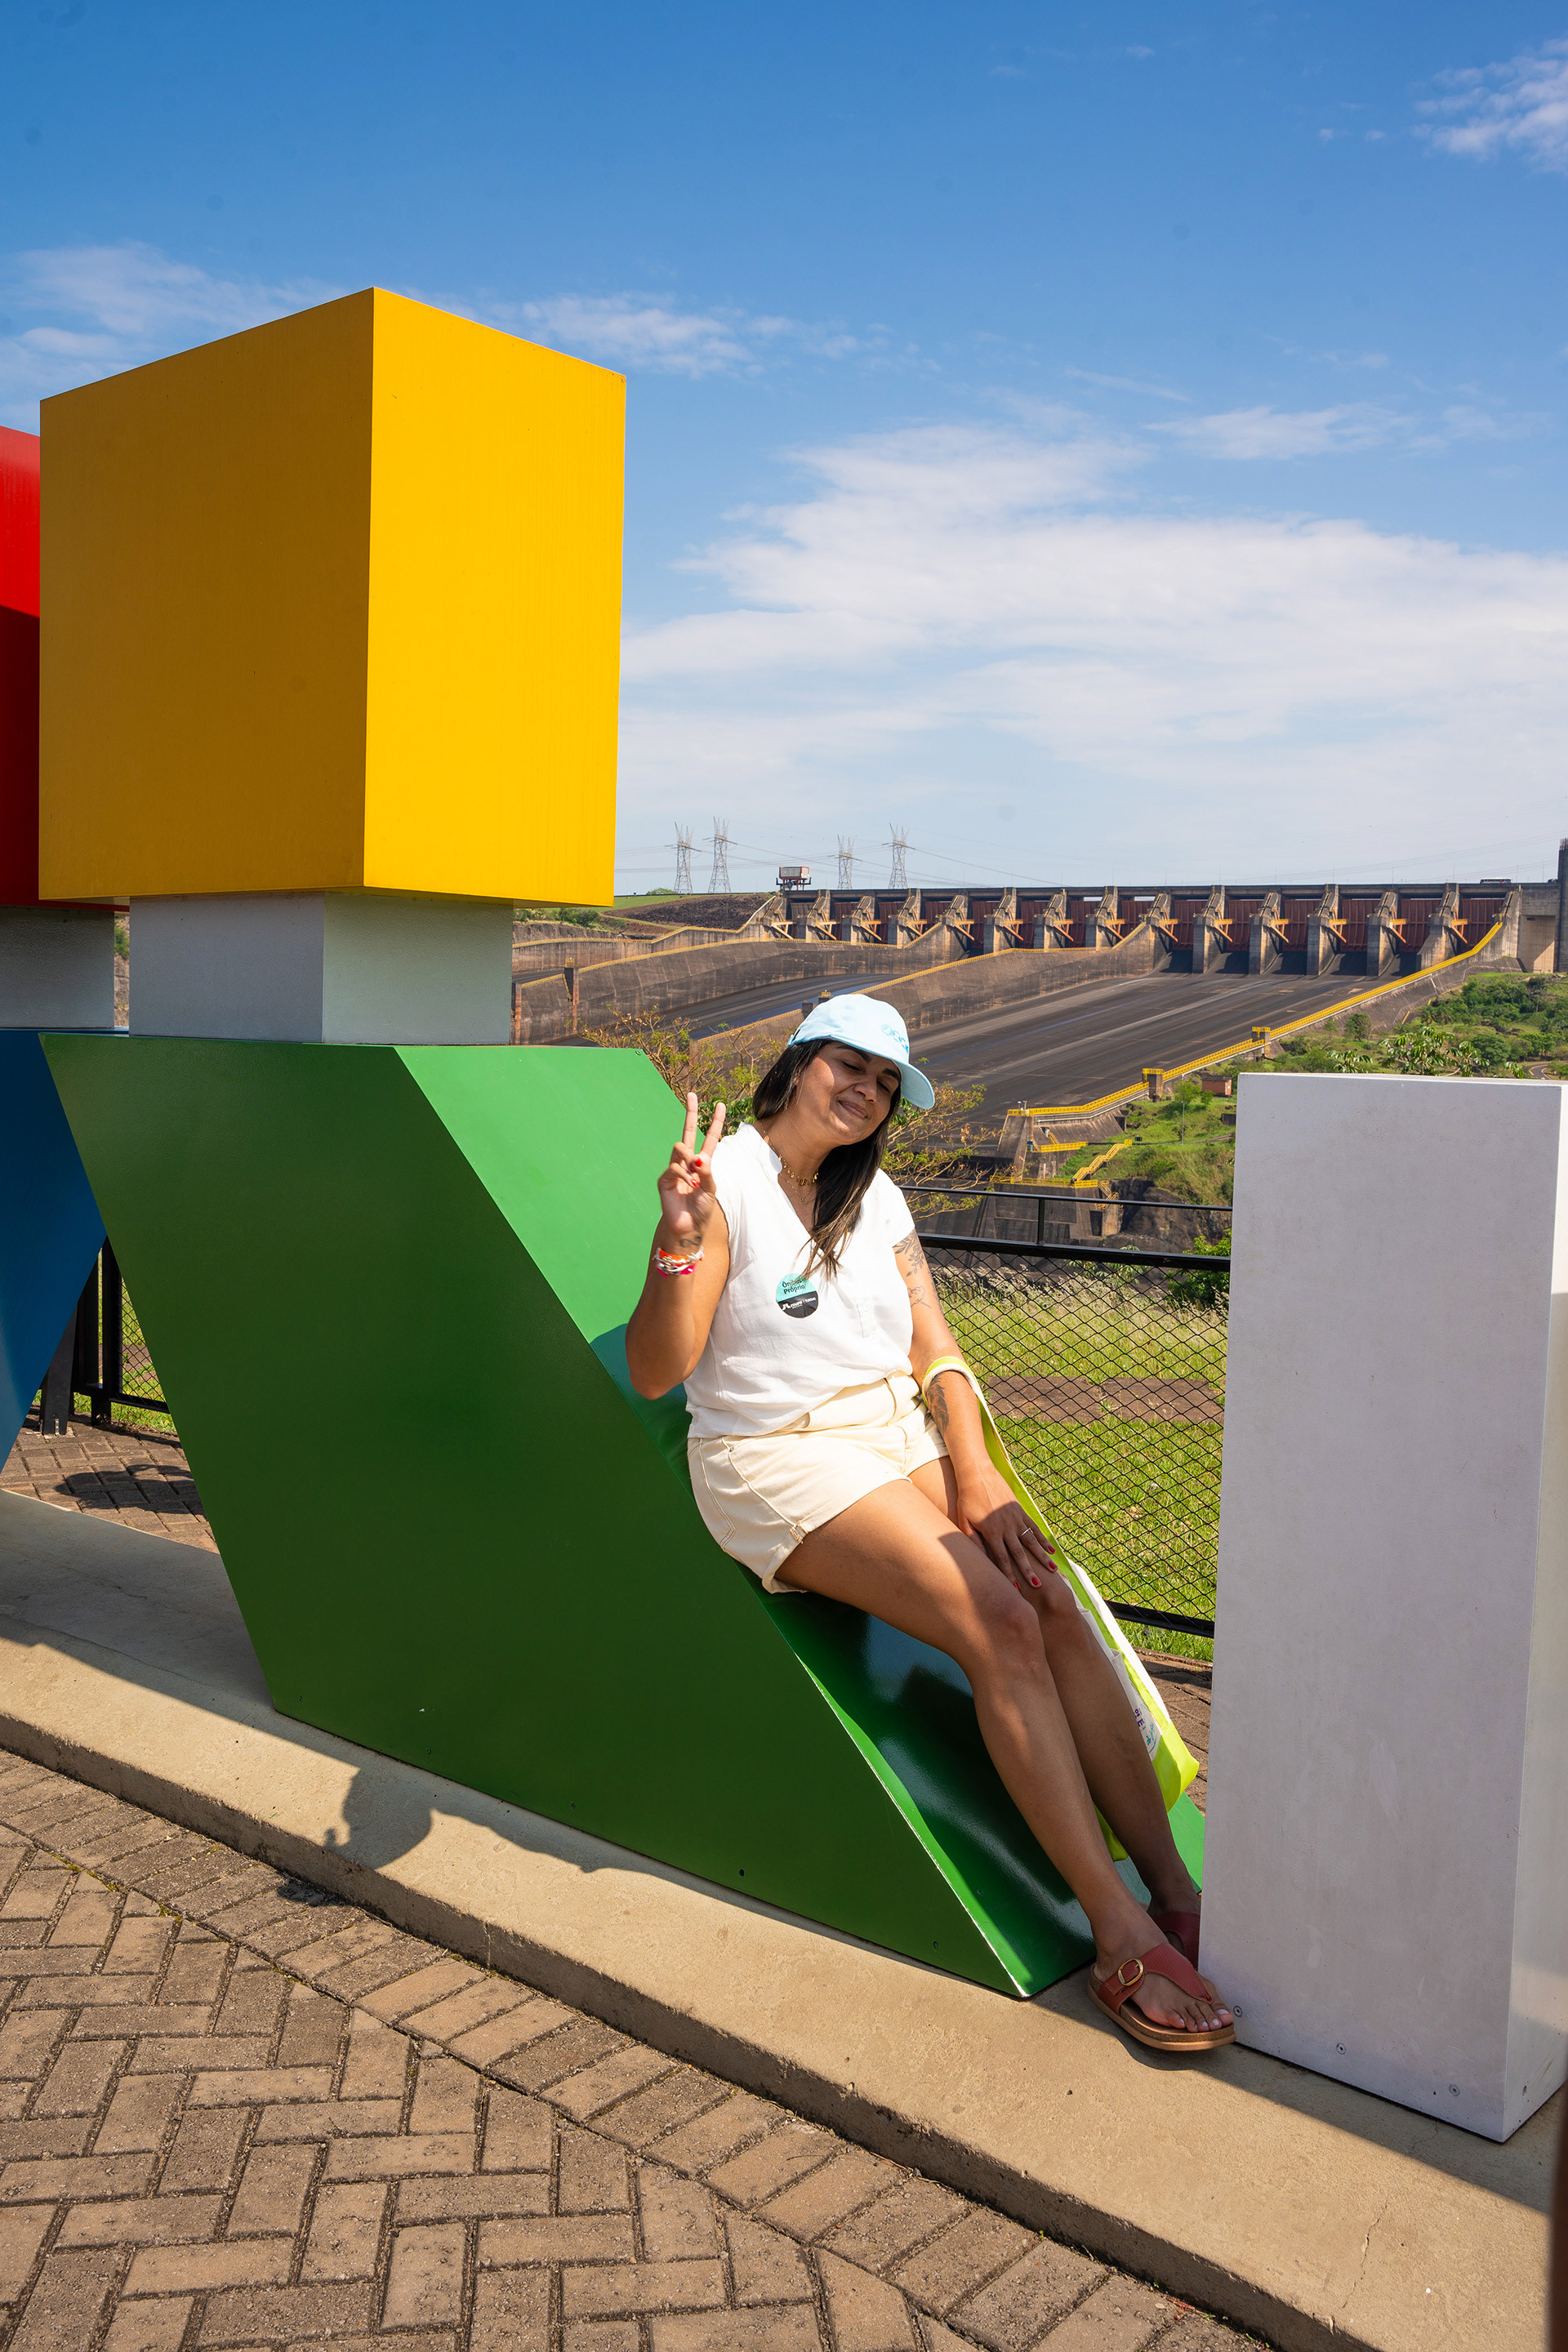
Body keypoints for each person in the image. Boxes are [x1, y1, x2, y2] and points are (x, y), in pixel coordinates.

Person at [626, 991, 1233, 2050]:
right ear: (798, 1064)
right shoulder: (725, 1186)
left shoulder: (879, 1199)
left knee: (1048, 1598)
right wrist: (676, 1242)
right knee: (996, 1620)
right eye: (847, 1066)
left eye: (885, 1083)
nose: (865, 1092)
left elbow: (935, 1350)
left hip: (894, 1434)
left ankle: (1175, 1888)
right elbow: (655, 1372)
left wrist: (977, 1471)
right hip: (777, 1451)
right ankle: (1118, 1930)